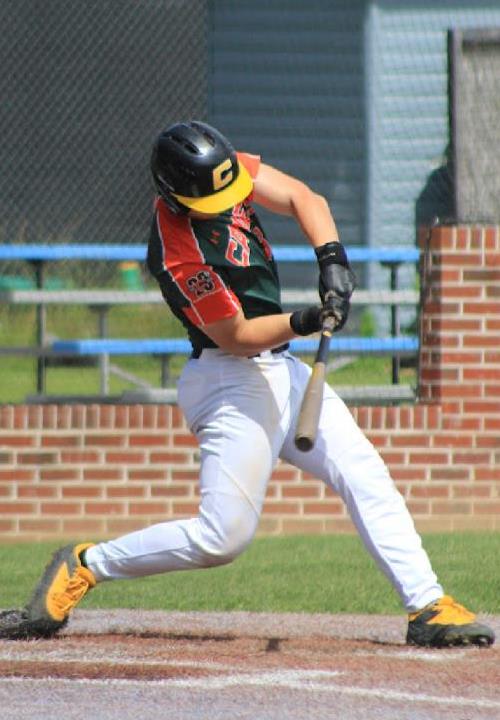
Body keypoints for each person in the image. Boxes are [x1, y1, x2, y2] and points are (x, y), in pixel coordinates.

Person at [0, 121, 494, 648]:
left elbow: (304, 198)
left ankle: (427, 605)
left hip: (281, 370)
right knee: (223, 538)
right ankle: (86, 564)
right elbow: (236, 336)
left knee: (365, 475)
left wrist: (332, 261)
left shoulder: (222, 170)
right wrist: (305, 320)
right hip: (229, 381)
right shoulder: (176, 250)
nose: (227, 202)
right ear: (176, 194)